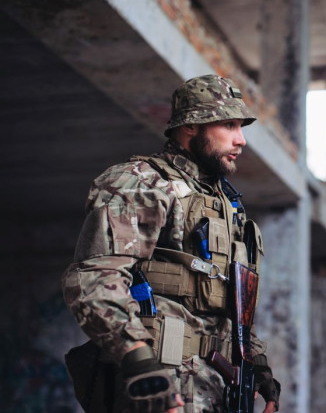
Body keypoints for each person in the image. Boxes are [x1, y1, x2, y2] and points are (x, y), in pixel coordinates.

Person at [62, 74, 280, 413]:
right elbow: (95, 280)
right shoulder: (142, 182)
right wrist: (138, 361)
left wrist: (258, 366)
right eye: (229, 125)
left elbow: (235, 303)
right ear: (191, 126)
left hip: (219, 386)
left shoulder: (227, 204)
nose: (241, 140)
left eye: (242, 127)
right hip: (163, 383)